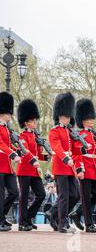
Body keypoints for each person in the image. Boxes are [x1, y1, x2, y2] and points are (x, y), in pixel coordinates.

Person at [47, 92, 83, 233]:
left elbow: (75, 149)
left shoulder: (70, 132)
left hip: (70, 167)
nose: (67, 119)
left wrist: (83, 150)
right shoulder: (54, 131)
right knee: (63, 196)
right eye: (65, 116)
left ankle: (54, 214)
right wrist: (66, 158)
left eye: (69, 116)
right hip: (60, 166)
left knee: (75, 195)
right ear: (59, 116)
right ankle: (63, 223)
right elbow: (57, 147)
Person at [69, 98, 96, 233]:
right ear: (82, 120)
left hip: (93, 167)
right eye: (89, 119)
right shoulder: (80, 135)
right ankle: (89, 224)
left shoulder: (92, 134)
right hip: (85, 168)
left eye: (92, 118)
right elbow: (77, 153)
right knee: (86, 196)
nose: (91, 121)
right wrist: (80, 169)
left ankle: (77, 213)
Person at [16, 99, 48, 231]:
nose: (35, 122)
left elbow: (37, 153)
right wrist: (34, 160)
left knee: (41, 194)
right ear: (26, 122)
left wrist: (45, 156)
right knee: (24, 197)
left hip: (34, 170)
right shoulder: (22, 136)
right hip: (24, 169)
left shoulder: (36, 136)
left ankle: (28, 217)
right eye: (33, 120)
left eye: (35, 120)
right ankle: (22, 223)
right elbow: (26, 152)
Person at [0, 92, 21, 232]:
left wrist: (17, 150)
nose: (10, 115)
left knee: (14, 192)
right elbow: (1, 144)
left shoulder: (6, 128)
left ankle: (1, 215)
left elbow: (7, 144)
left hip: (7, 166)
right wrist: (13, 154)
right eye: (8, 113)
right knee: (0, 195)